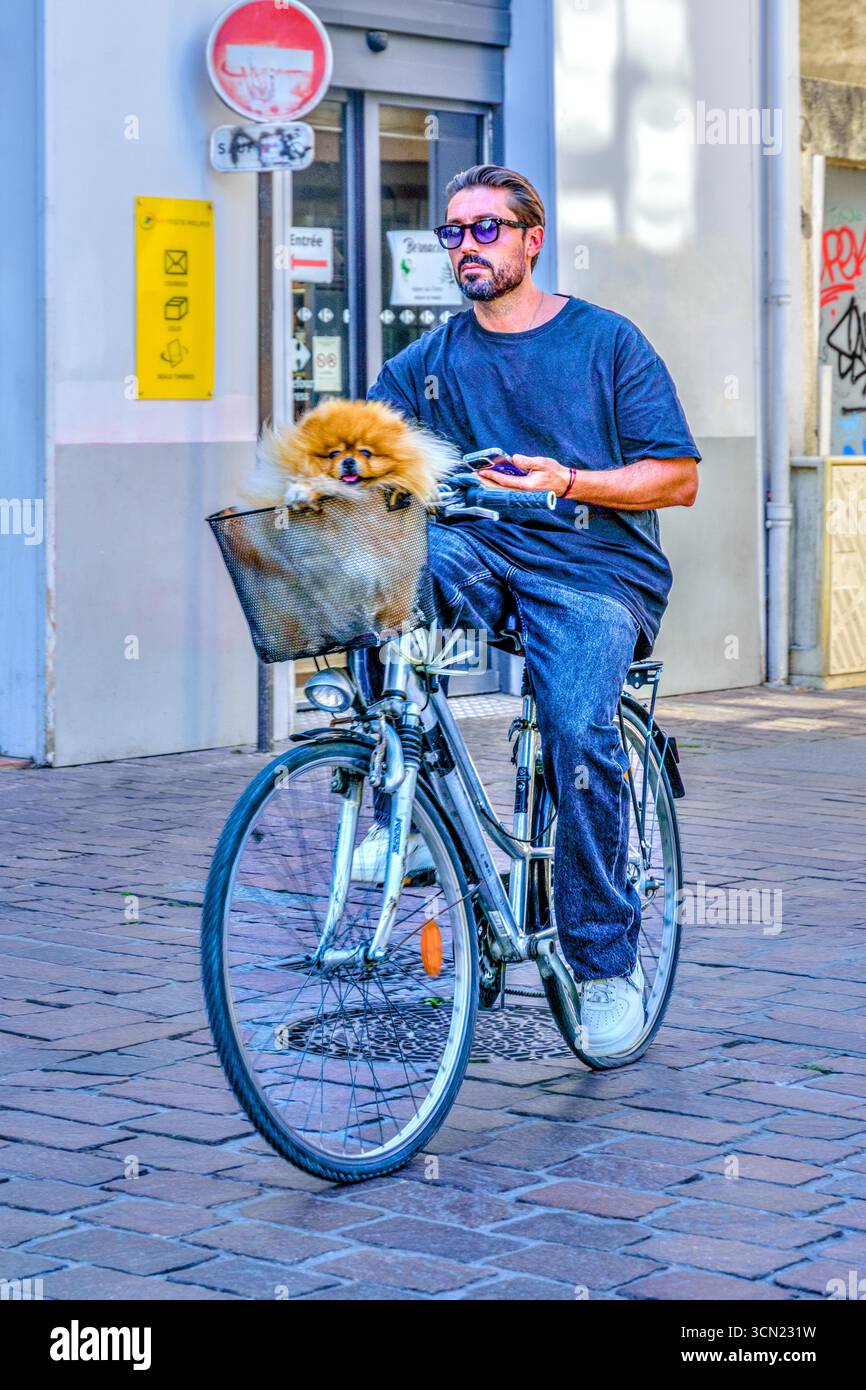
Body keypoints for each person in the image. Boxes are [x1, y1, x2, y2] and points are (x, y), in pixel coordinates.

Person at [353, 164, 700, 1057]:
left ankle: (603, 964)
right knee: (374, 571)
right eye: (452, 233)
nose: (466, 247)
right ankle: (405, 801)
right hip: (485, 552)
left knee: (578, 729)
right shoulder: (428, 360)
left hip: (595, 570)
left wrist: (570, 481)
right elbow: (369, 448)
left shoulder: (605, 341)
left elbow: (679, 476)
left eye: (484, 230)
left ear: (529, 239)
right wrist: (341, 470)